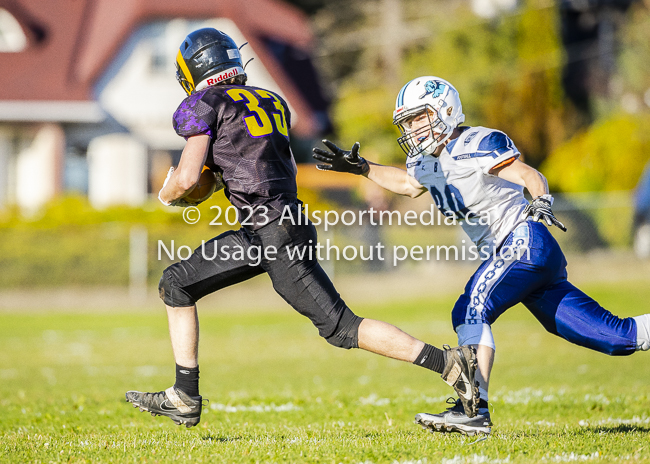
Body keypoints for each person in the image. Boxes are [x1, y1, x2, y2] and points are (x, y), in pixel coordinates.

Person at [125, 31, 480, 428]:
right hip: (272, 227)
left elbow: (189, 178)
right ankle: (184, 394)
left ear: (194, 71)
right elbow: (280, 168)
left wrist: (167, 192)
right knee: (176, 283)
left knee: (342, 327)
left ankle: (449, 364)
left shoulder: (205, 103)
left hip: (271, 231)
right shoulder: (270, 100)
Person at [313, 76, 650, 436]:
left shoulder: (477, 142)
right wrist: (363, 168)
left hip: (522, 240)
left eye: (418, 118)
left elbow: (528, 174)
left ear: (443, 110)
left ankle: (473, 409)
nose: (412, 129)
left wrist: (540, 201)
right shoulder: (425, 161)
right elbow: (408, 185)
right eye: (407, 122)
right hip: (517, 256)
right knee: (615, 337)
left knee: (471, 306)